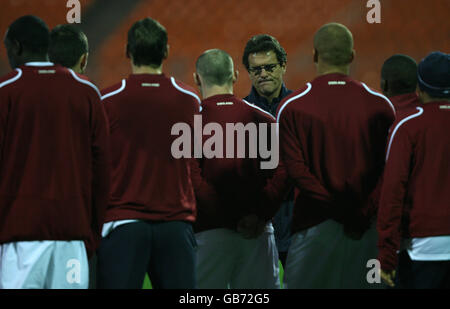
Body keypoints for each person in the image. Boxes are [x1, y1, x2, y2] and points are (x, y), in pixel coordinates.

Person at [97, 18, 214, 289]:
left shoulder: (107, 100)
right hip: (175, 223)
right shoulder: (188, 100)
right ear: (166, 51)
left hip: (124, 223)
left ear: (128, 51)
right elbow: (198, 159)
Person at [277, 23, 395, 288]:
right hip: (365, 228)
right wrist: (360, 212)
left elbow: (296, 172)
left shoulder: (293, 105)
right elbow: (388, 172)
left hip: (313, 227)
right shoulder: (380, 105)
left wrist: (337, 210)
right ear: (352, 56)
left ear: (315, 55)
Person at [0, 15, 110, 289]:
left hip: (19, 238)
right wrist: (92, 233)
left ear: (17, 47)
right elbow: (102, 171)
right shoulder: (86, 92)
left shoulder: (6, 91)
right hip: (72, 236)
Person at [193, 49, 288, 289]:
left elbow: (190, 177)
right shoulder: (264, 119)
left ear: (197, 78)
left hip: (208, 232)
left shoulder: (189, 122)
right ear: (235, 76)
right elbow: (284, 172)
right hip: (258, 232)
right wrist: (260, 214)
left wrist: (225, 217)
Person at [377, 51, 450, 289]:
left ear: (420, 87)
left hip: (422, 249)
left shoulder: (408, 126)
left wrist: (387, 256)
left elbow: (392, 193)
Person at [242, 34, 294, 267]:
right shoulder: (240, 114)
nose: (263, 74)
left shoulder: (299, 107)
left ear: (283, 66)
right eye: (256, 70)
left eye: (269, 67)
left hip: (297, 215)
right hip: (258, 219)